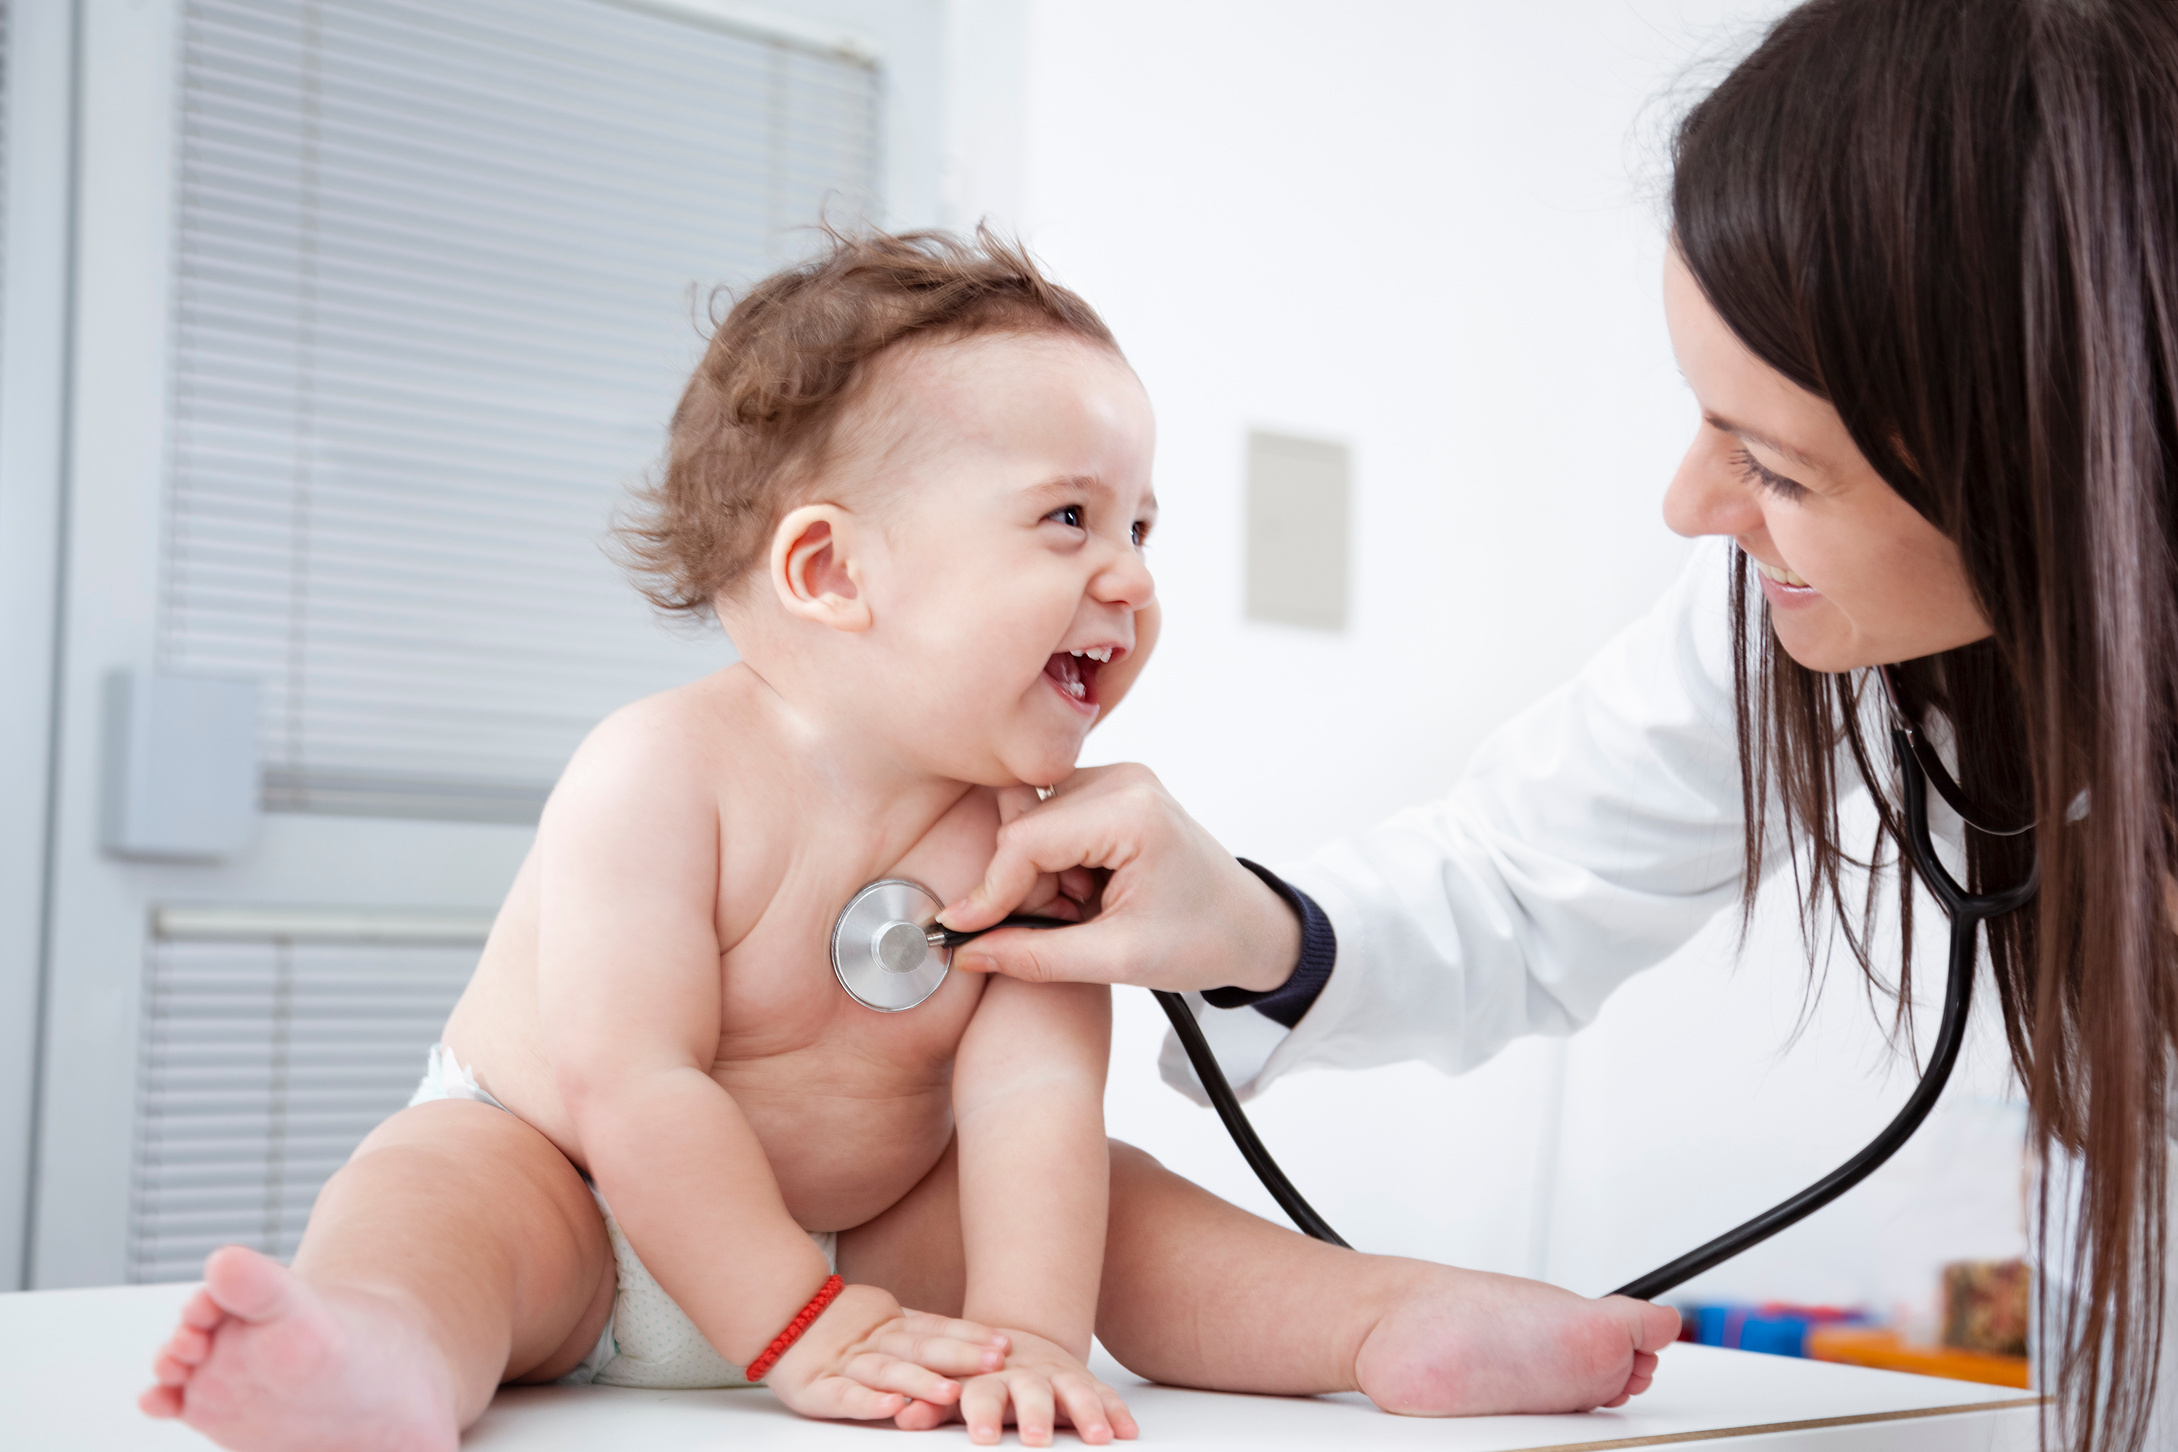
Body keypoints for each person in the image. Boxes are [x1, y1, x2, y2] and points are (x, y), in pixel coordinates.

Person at [135, 230, 1677, 1452]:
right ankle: (382, 1358)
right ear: (829, 570)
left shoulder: (1034, 836)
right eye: (1068, 520)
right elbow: (633, 1082)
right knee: (435, 1197)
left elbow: (1026, 1110)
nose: (1130, 578)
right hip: (583, 1202)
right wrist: (797, 1331)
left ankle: (1375, 1321)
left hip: (872, 1241)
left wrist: (1023, 1333)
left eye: (1143, 526)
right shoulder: (660, 773)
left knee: (1117, 1204)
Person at [937, 3, 2178, 1449]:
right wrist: (1245, 921)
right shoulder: (1808, 620)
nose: (1690, 508)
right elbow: (1524, 879)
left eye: (1773, 465)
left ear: (2049, 457)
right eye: (1707, 421)